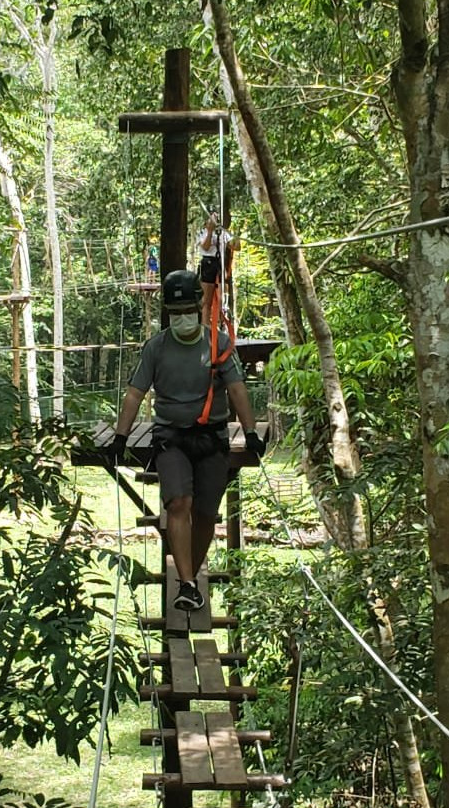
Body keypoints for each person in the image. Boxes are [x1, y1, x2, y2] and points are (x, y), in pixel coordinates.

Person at [109, 269, 265, 611]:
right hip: (172, 437)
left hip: (212, 435)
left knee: (207, 512)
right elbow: (135, 393)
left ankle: (189, 577)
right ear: (169, 313)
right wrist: (121, 437)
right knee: (178, 503)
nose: (183, 319)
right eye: (176, 313)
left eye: (188, 311)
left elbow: (237, 388)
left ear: (199, 307)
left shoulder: (218, 343)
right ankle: (187, 582)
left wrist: (251, 431)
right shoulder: (156, 348)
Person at [195, 210, 239, 327]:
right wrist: (210, 231)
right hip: (208, 263)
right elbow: (205, 246)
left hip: (220, 263)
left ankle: (220, 322)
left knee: (221, 298)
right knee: (206, 299)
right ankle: (205, 324)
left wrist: (236, 236)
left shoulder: (223, 233)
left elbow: (236, 247)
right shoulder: (202, 232)